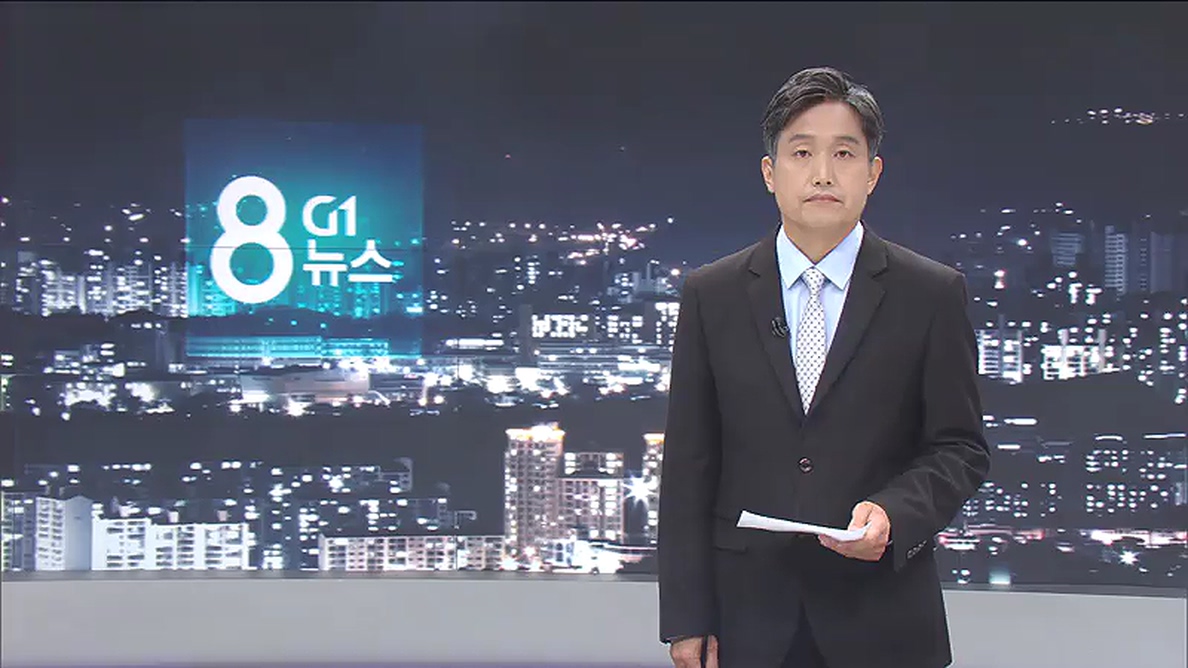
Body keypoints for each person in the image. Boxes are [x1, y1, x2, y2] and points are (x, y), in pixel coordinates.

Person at [656, 66, 992, 668]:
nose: (822, 173)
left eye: (844, 153)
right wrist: (687, 619)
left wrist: (894, 514)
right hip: (746, 622)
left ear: (873, 173)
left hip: (883, 619)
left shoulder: (931, 294)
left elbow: (960, 447)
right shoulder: (712, 294)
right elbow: (688, 464)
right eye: (802, 152)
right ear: (770, 173)